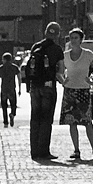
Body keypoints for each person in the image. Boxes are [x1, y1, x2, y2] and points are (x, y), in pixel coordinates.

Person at [60, 28, 93, 159]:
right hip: (69, 91)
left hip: (83, 91)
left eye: (76, 38)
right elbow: (59, 71)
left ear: (81, 40)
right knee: (72, 122)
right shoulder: (65, 55)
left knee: (87, 121)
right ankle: (76, 150)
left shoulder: (87, 54)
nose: (73, 40)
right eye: (71, 38)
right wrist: (63, 81)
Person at [27, 22, 65, 160]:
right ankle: (43, 151)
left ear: (45, 32)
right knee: (46, 119)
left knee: (35, 118)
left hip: (34, 86)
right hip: (48, 87)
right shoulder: (57, 49)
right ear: (58, 34)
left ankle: (34, 152)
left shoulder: (35, 47)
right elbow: (60, 71)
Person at [0, 52, 21, 127]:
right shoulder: (15, 67)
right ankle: (12, 114)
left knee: (4, 107)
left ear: (5, 60)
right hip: (12, 89)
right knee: (13, 105)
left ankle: (5, 121)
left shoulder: (1, 68)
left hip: (4, 90)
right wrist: (19, 89)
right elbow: (19, 78)